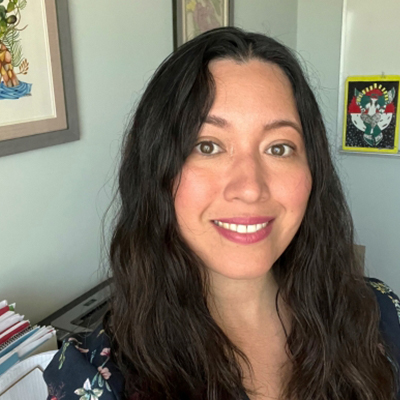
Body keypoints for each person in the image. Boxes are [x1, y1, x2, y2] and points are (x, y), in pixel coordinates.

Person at [44, 27, 400, 400]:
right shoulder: (94, 379)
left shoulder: (380, 316)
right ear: (156, 170)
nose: (250, 187)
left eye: (279, 148)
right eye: (208, 146)